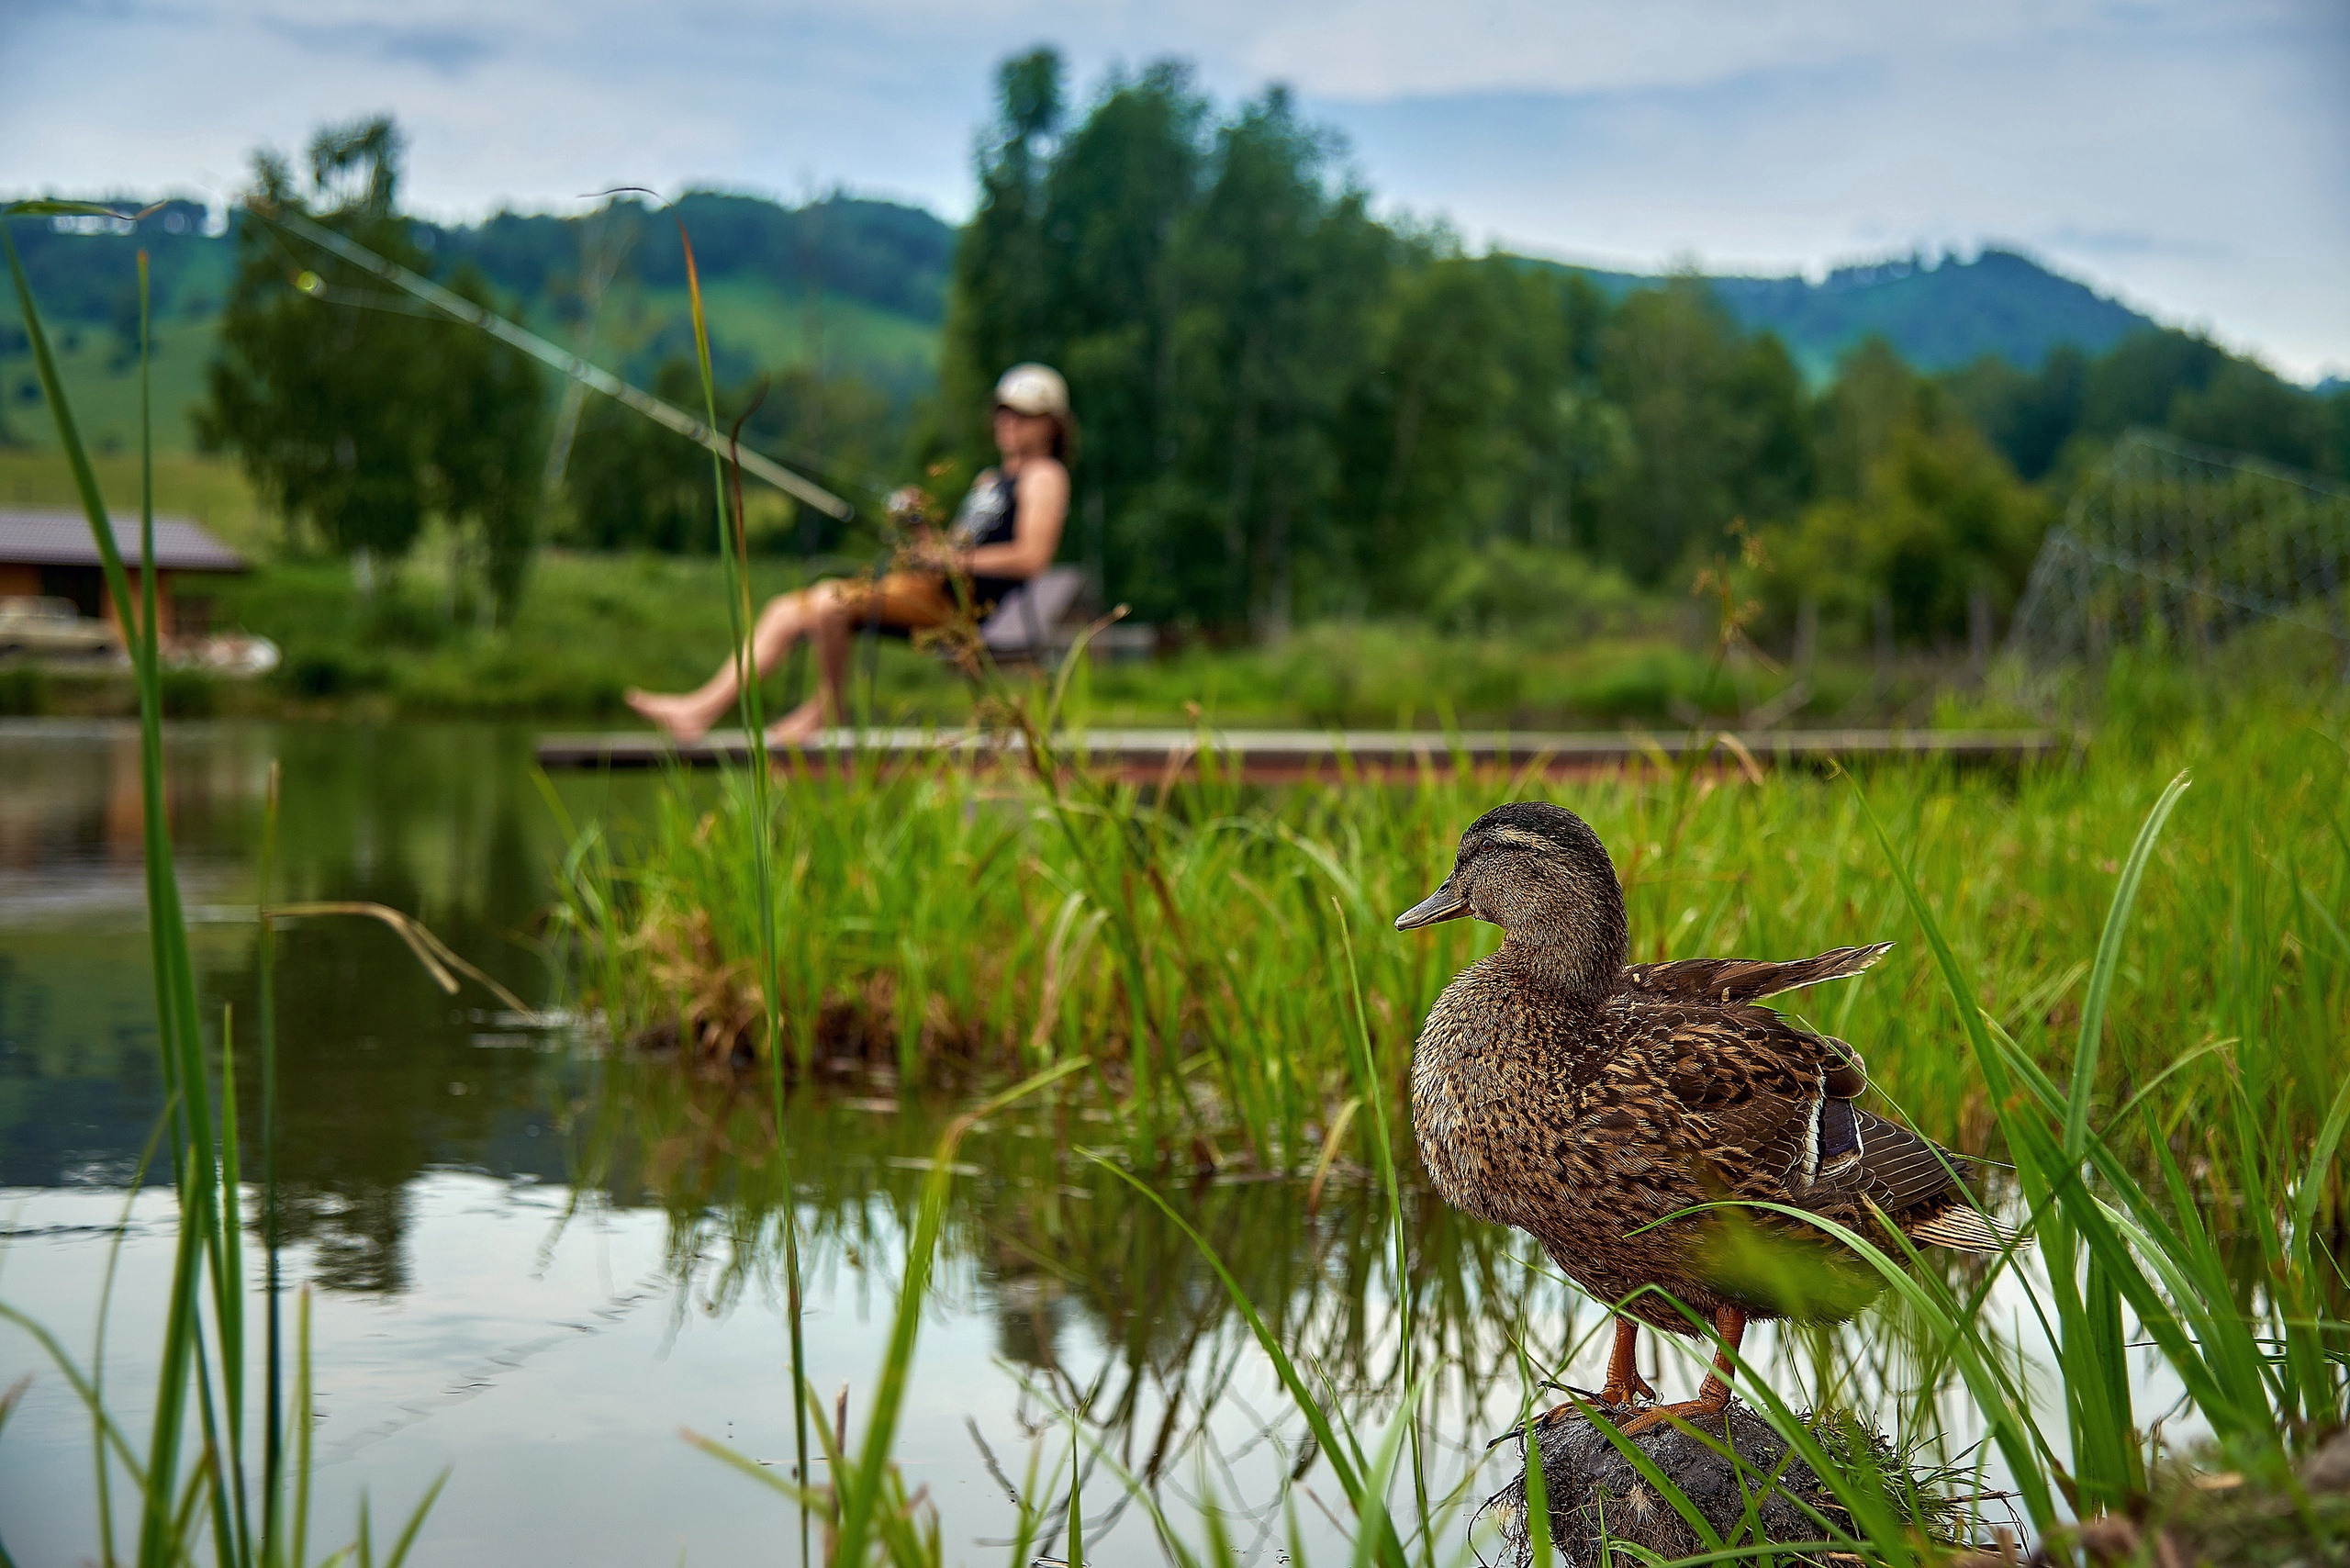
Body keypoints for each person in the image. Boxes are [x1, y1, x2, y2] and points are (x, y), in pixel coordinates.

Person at [625, 364, 1073, 746]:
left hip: (959, 607)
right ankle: (701, 710)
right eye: (1004, 414)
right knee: (784, 611)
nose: (1009, 425)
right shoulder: (988, 480)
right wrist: (921, 529)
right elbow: (956, 547)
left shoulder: (1044, 476)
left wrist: (951, 562)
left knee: (829, 603)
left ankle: (828, 709)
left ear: (1051, 424)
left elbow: (1032, 558)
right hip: (925, 587)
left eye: (1024, 417)